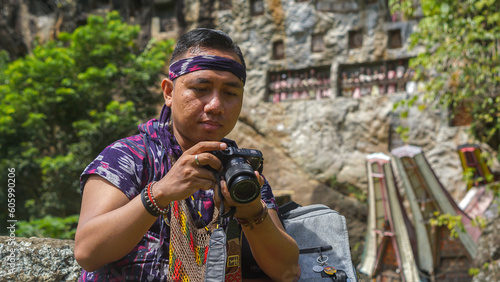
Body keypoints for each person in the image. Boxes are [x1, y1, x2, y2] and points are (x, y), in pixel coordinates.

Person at [74, 28, 300, 281]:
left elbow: (287, 271)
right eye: (201, 88)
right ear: (169, 92)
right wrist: (159, 193)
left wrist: (251, 212)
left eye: (230, 93)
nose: (215, 106)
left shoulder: (239, 172)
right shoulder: (130, 157)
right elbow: (87, 252)